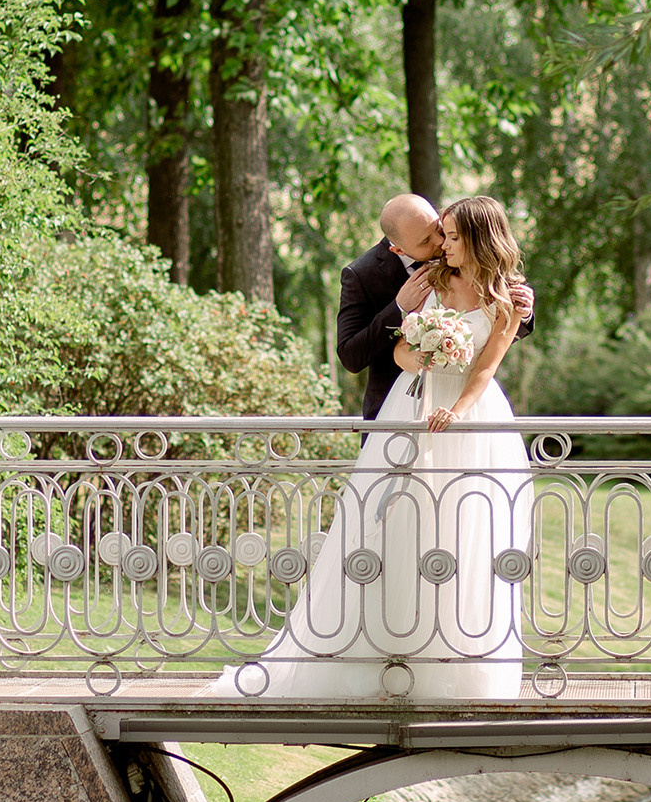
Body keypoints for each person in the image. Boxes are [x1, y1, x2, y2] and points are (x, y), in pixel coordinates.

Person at [218, 196, 534, 700]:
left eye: (446, 236)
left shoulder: (503, 292)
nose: (439, 246)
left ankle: (461, 665)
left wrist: (461, 389)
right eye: (432, 239)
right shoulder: (379, 275)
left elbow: (491, 357)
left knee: (466, 531)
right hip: (407, 408)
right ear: (398, 245)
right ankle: (379, 655)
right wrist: (424, 344)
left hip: (471, 417)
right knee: (393, 531)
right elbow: (365, 353)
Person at [336, 194, 533, 419]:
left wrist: (523, 311)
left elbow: (498, 296)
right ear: (399, 250)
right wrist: (399, 307)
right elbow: (351, 356)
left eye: (439, 230)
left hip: (469, 402)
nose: (440, 243)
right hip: (398, 405)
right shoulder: (361, 274)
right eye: (425, 241)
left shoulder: (458, 253)